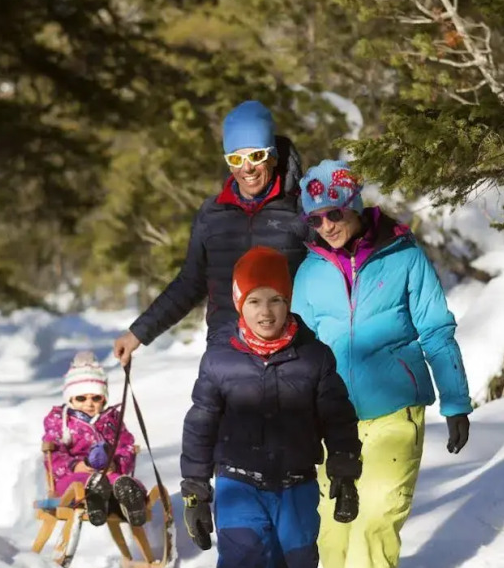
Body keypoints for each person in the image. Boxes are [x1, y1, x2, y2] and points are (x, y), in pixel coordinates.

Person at [290, 159, 473, 568]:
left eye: (333, 213)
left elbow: (435, 327)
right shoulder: (309, 272)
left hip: (395, 409)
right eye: (315, 218)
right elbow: (298, 351)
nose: (326, 225)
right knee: (333, 532)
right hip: (329, 421)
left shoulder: (404, 256)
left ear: (353, 204)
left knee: (376, 519)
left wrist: (455, 400)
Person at [178, 246, 361, 568]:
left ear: (289, 301)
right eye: (255, 300)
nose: (266, 311)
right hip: (238, 483)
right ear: (239, 303)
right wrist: (196, 492)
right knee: (240, 567)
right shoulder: (220, 360)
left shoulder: (314, 357)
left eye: (276, 299)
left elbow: (338, 418)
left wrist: (344, 471)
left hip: (297, 485)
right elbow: (200, 425)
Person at [112, 100, 309, 366]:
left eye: (256, 156)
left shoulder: (300, 210)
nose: (247, 168)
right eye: (236, 159)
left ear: (272, 157)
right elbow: (189, 283)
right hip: (228, 353)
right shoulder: (212, 215)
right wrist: (138, 334)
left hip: (289, 354)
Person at [42, 352, 146, 527]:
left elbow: (125, 447)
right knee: (79, 483)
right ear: (70, 398)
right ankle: (96, 501)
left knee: (123, 482)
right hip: (74, 476)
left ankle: (131, 499)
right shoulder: (61, 420)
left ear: (104, 399)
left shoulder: (111, 419)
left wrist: (115, 465)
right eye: (81, 398)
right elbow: (54, 453)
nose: (89, 403)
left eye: (96, 398)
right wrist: (74, 465)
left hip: (108, 473)